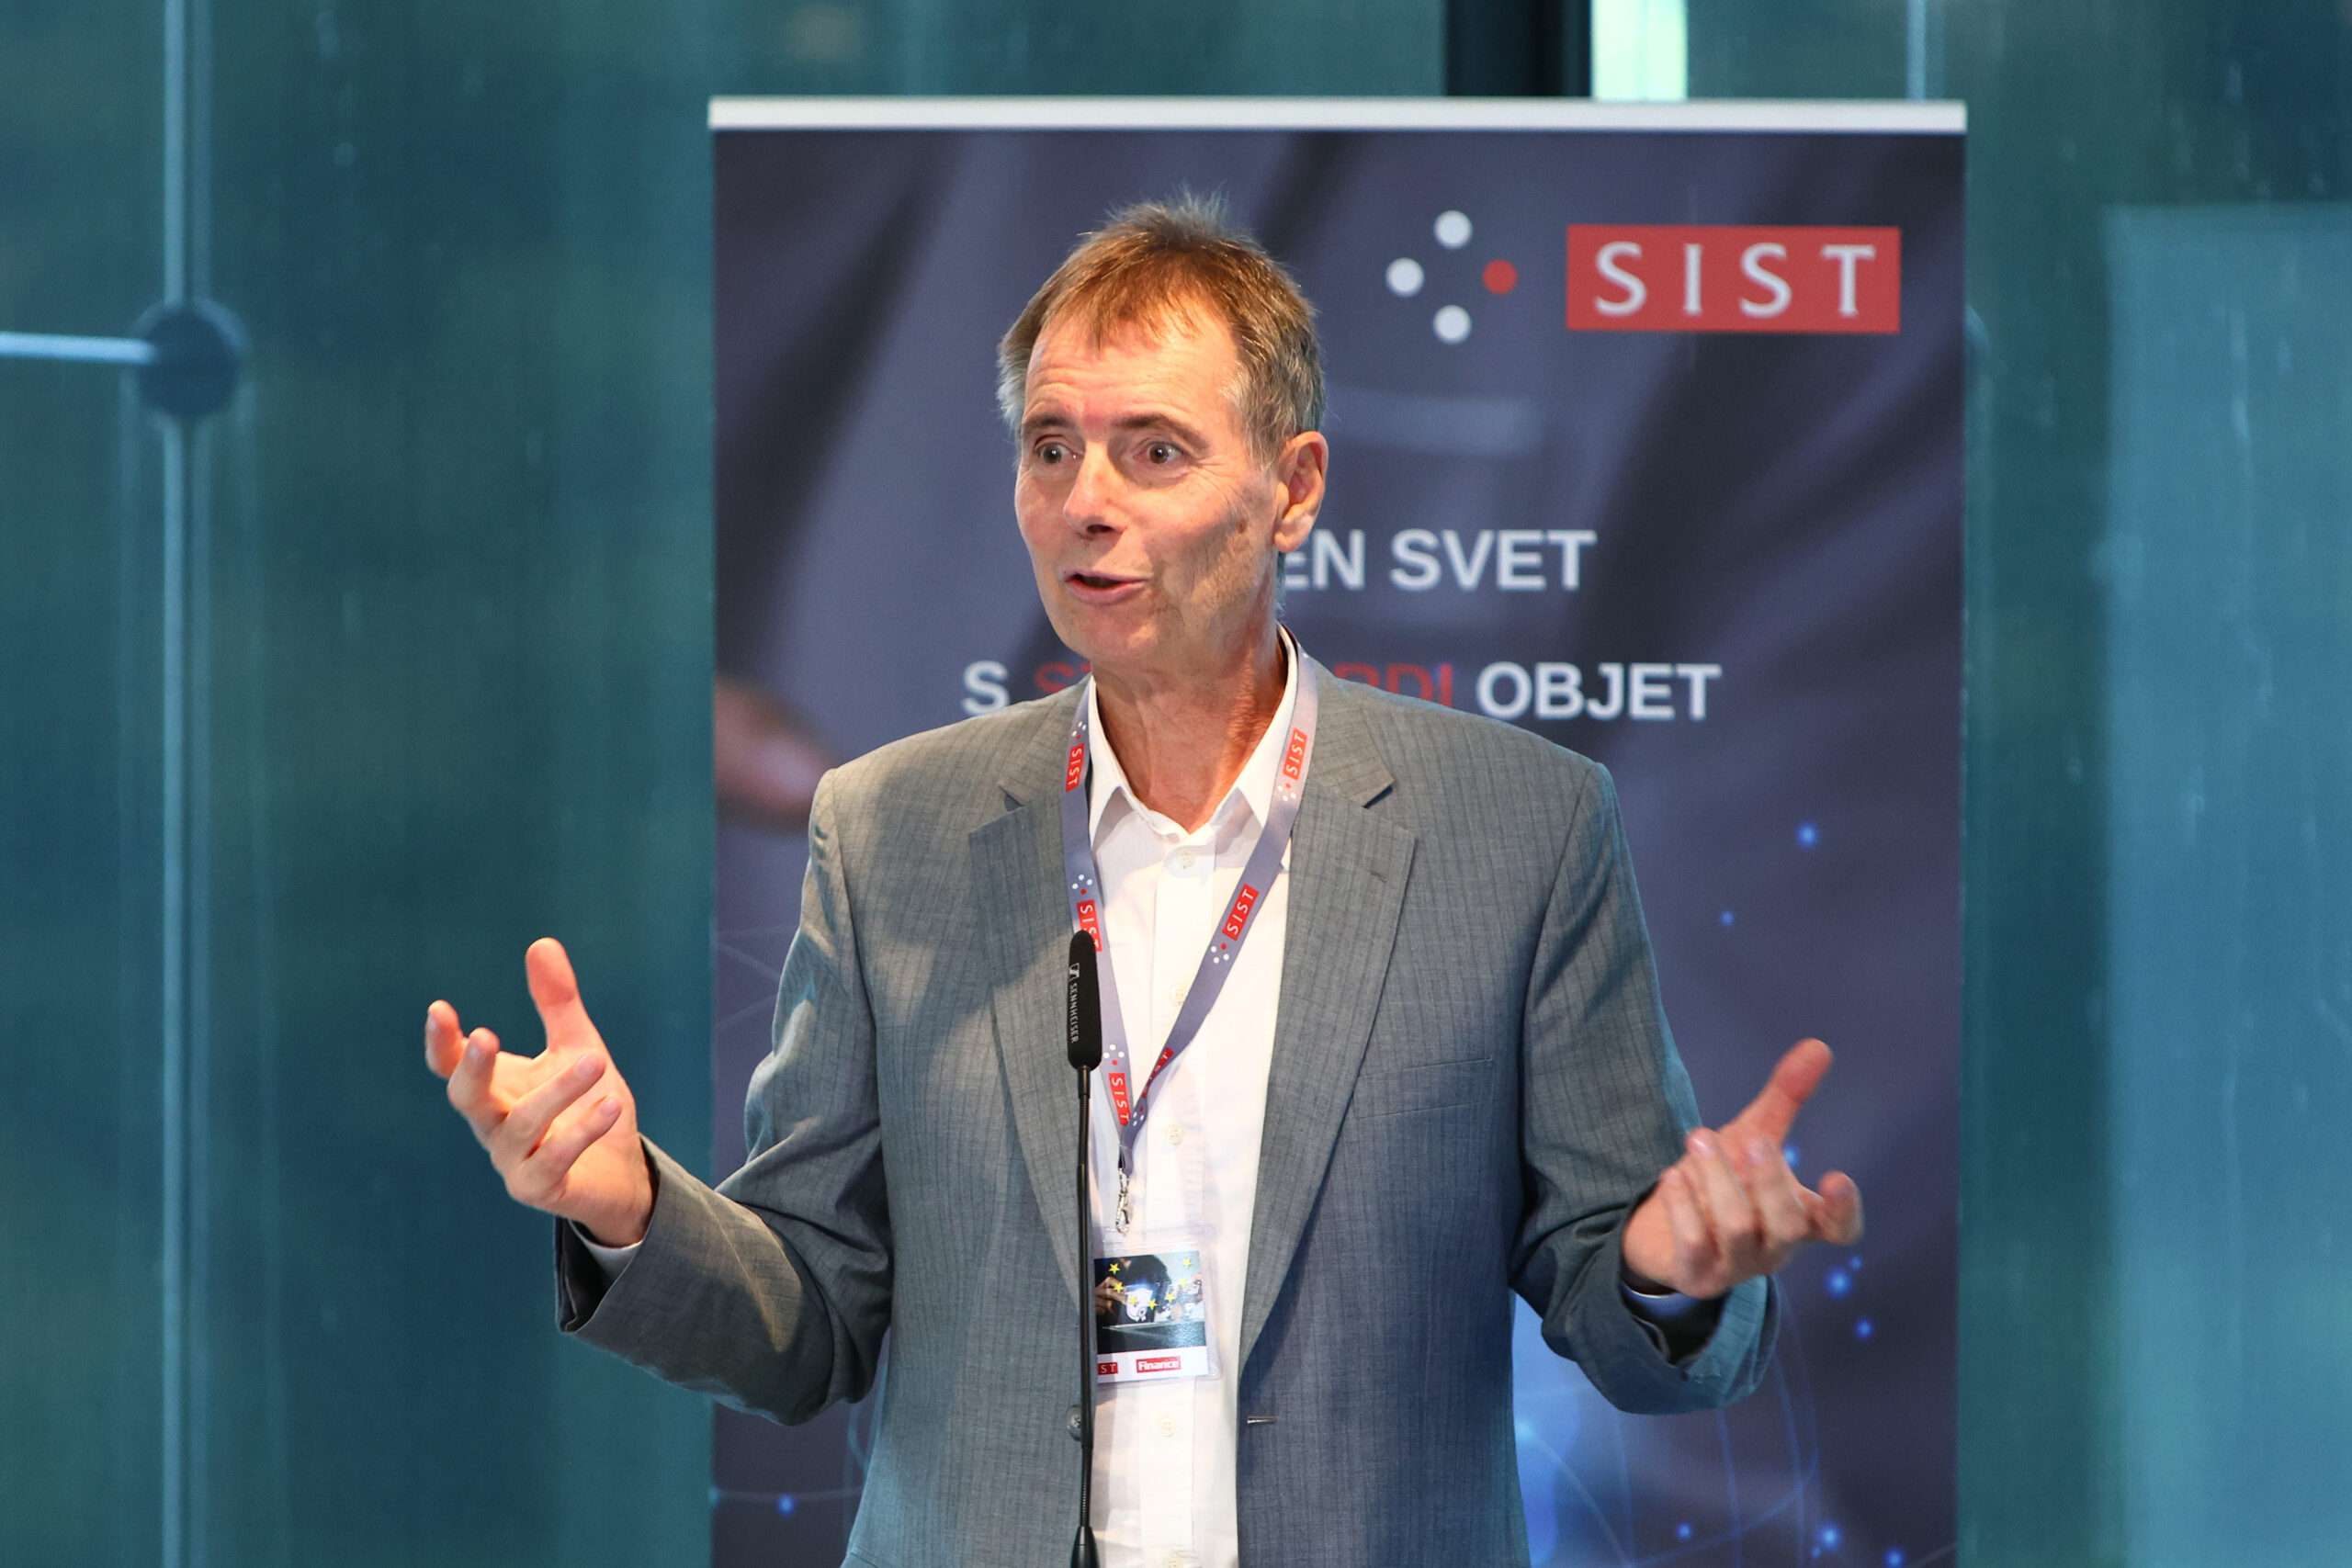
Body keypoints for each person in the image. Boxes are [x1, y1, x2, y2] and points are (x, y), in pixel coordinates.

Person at [424, 197, 1863, 1568]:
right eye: (1050, 448)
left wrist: (1674, 1266)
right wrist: (630, 1211)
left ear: (1293, 488)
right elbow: (808, 1317)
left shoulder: (1517, 828)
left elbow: (1627, 1317)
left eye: (1153, 452)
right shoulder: (890, 830)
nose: (1084, 504)